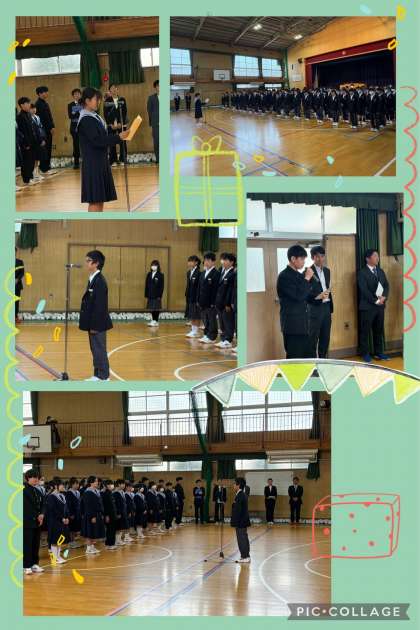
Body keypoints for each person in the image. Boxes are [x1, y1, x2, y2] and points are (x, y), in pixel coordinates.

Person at [77, 87, 130, 212]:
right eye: (96, 99)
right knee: (95, 201)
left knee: (99, 200)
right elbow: (98, 140)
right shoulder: (86, 119)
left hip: (100, 161)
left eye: (99, 99)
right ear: (87, 101)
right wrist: (118, 137)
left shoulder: (94, 116)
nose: (99, 102)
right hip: (93, 164)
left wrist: (119, 136)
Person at [79, 249, 113, 381]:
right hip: (92, 322)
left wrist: (94, 325)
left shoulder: (100, 281)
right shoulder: (93, 279)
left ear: (96, 263)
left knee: (99, 349)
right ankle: (97, 374)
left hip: (98, 323)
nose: (86, 263)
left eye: (89, 261)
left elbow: (100, 306)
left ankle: (104, 376)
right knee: (95, 349)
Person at [276, 245, 314, 358]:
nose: (304, 262)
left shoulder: (298, 275)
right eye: (302, 259)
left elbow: (305, 295)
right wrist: (307, 278)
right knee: (295, 357)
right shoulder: (284, 276)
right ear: (293, 259)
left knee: (308, 356)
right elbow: (298, 296)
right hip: (292, 325)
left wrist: (317, 297)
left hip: (304, 324)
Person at [357, 248, 390, 362]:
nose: (377, 258)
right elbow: (364, 290)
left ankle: (379, 352)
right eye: (375, 256)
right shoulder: (362, 273)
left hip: (380, 306)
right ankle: (365, 353)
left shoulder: (380, 271)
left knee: (378, 330)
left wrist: (384, 297)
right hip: (367, 307)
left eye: (378, 256)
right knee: (365, 331)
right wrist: (375, 300)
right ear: (368, 258)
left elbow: (386, 285)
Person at [308, 246, 333, 358]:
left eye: (322, 256)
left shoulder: (327, 271)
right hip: (315, 308)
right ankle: (313, 362)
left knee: (325, 337)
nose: (320, 259)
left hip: (326, 307)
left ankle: (323, 360)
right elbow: (305, 293)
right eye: (317, 256)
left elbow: (326, 287)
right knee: (313, 338)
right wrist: (318, 296)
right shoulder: (308, 272)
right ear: (312, 258)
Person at [23, 469, 45, 575]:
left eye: (37, 477)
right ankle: (26, 565)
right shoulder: (23, 490)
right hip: (27, 522)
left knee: (35, 544)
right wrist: (36, 516)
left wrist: (42, 514)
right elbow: (26, 507)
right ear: (28, 478)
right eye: (34, 477)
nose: (36, 479)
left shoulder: (37, 491)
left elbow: (43, 504)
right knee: (27, 544)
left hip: (37, 522)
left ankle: (34, 564)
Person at [45, 478, 70, 565]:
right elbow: (53, 510)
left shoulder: (62, 496)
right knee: (54, 540)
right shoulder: (51, 497)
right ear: (56, 486)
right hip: (54, 521)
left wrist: (67, 517)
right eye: (62, 485)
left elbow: (66, 508)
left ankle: (58, 556)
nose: (63, 486)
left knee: (60, 540)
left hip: (62, 521)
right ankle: (54, 558)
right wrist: (61, 518)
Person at [198, 252, 220, 344]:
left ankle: (212, 337)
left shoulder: (216, 273)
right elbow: (199, 288)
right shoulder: (203, 273)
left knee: (211, 319)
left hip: (211, 302)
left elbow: (215, 290)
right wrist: (198, 300)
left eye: (208, 260)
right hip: (202, 301)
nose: (206, 262)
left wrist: (213, 302)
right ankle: (206, 334)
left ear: (213, 261)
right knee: (205, 319)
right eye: (205, 260)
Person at [103, 84, 128, 166]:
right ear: (109, 91)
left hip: (121, 124)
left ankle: (123, 159)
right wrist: (110, 124)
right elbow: (105, 114)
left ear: (117, 90)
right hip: (111, 125)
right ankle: (113, 160)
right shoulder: (107, 101)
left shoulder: (122, 99)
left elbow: (124, 112)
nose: (114, 90)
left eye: (115, 88)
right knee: (112, 142)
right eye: (112, 88)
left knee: (123, 142)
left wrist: (121, 122)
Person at [215, 253, 236, 349]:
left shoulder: (233, 274)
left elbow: (230, 290)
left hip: (226, 303)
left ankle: (228, 340)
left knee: (228, 322)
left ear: (231, 262)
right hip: (220, 302)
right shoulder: (223, 272)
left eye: (226, 260)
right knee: (222, 322)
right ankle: (223, 338)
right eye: (223, 260)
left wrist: (228, 303)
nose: (223, 262)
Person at [34, 86, 56, 174]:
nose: (47, 93)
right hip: (44, 131)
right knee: (44, 149)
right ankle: (44, 168)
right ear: (40, 94)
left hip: (48, 129)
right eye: (45, 92)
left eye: (47, 92)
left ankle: (47, 167)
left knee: (48, 148)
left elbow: (49, 116)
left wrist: (52, 126)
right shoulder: (38, 104)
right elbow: (43, 119)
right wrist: (49, 128)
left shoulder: (45, 103)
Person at [80, 476, 105, 554]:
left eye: (97, 481)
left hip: (97, 514)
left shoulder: (96, 491)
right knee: (89, 532)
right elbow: (88, 505)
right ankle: (88, 548)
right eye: (95, 481)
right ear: (91, 482)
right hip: (90, 515)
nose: (97, 483)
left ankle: (92, 547)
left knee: (94, 531)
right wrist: (92, 516)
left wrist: (101, 513)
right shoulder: (88, 492)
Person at [16, 97, 36, 186]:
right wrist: (25, 144)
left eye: (29, 103)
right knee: (26, 162)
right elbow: (22, 132)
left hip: (32, 142)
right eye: (27, 103)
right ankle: (26, 179)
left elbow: (32, 129)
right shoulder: (20, 116)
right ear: (22, 105)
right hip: (26, 143)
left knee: (32, 160)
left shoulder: (28, 114)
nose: (29, 105)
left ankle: (30, 177)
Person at [230, 477, 251, 563]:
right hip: (242, 521)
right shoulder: (240, 494)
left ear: (238, 485)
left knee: (242, 539)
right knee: (243, 538)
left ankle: (245, 556)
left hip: (241, 522)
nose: (233, 485)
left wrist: (234, 522)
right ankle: (245, 556)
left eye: (234, 484)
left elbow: (238, 511)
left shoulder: (240, 495)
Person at [185, 255, 202, 338]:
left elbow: (199, 287)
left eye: (191, 261)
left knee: (196, 314)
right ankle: (193, 330)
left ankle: (196, 331)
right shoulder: (188, 272)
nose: (189, 263)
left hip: (195, 297)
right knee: (191, 314)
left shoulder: (199, 273)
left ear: (196, 263)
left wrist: (198, 298)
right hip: (189, 296)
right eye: (189, 261)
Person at [145, 260, 164, 327]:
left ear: (158, 266)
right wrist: (146, 294)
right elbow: (147, 285)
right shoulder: (149, 274)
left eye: (155, 265)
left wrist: (160, 295)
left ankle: (156, 321)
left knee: (156, 308)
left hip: (157, 295)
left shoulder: (160, 275)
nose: (153, 266)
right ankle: (153, 320)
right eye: (152, 265)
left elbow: (161, 286)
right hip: (150, 294)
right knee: (152, 308)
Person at [67, 88, 82, 169]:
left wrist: (75, 110)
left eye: (78, 94)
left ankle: (86, 161)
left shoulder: (84, 104)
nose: (77, 95)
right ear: (73, 96)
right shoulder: (70, 105)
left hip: (83, 126)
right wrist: (79, 108)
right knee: (76, 145)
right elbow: (71, 116)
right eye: (75, 94)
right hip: (74, 127)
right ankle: (76, 163)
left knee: (84, 144)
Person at [102, 479, 117, 550]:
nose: (111, 486)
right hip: (109, 515)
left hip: (113, 514)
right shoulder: (105, 494)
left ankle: (111, 543)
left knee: (113, 529)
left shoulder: (111, 493)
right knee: (110, 530)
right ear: (106, 486)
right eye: (110, 484)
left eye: (112, 484)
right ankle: (109, 544)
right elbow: (105, 506)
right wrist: (107, 515)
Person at [66, 477, 81, 548]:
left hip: (77, 513)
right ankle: (70, 542)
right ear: (71, 484)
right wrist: (71, 514)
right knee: (71, 528)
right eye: (75, 484)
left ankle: (73, 541)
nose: (77, 485)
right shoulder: (69, 493)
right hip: (72, 513)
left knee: (75, 528)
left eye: (78, 484)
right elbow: (68, 505)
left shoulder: (78, 492)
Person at [113, 479, 129, 545]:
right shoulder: (115, 493)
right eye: (123, 484)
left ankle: (119, 540)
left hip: (123, 512)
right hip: (119, 513)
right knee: (118, 527)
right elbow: (115, 504)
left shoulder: (122, 492)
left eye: (124, 484)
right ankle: (117, 540)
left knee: (122, 527)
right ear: (119, 484)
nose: (124, 485)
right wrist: (118, 513)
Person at [147, 79, 159, 164]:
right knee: (157, 142)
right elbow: (149, 111)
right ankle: (158, 159)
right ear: (155, 87)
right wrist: (153, 123)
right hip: (156, 124)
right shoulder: (151, 98)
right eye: (158, 86)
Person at [15, 248, 24, 324]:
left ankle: (15, 317)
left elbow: (22, 272)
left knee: (16, 302)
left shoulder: (20, 262)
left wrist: (17, 279)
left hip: (17, 285)